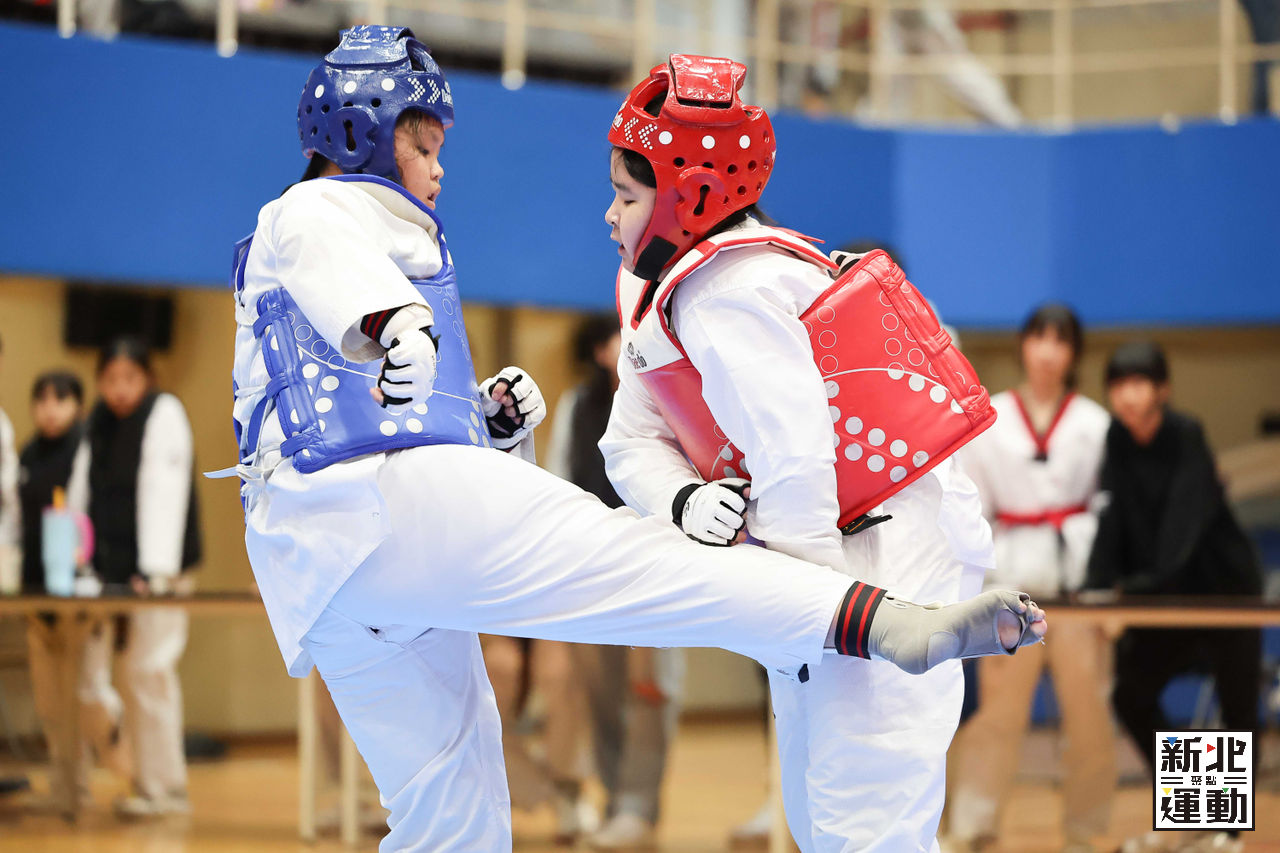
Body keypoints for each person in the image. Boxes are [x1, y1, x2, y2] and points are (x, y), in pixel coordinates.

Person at [222, 27, 1046, 853]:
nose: (440, 171)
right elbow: (344, 271)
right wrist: (394, 323)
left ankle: (864, 621)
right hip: (377, 505)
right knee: (629, 558)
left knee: (453, 811)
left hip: (321, 570)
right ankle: (878, 622)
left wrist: (491, 425)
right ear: (363, 135)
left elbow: (734, 450)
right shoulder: (318, 210)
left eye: (624, 194)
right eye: (424, 148)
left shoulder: (720, 285)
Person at [600, 54, 1028, 853]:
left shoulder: (738, 289)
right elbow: (628, 439)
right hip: (827, 564)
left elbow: (795, 463)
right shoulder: (673, 292)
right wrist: (684, 499)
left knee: (864, 820)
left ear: (691, 195)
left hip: (877, 555)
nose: (610, 214)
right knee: (821, 818)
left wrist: (819, 618)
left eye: (626, 196)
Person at [945, 305, 1115, 853]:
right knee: (994, 717)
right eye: (1038, 338)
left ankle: (1086, 831)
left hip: (1077, 592)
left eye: (1060, 341)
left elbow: (1108, 510)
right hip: (1009, 592)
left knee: (1088, 716)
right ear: (1022, 346)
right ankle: (973, 826)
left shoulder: (1095, 423)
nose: (1047, 352)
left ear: (1074, 353)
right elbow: (972, 510)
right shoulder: (991, 417)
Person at [1086, 341, 1262, 853]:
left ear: (1162, 389)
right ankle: (1198, 811)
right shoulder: (1116, 438)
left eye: (1140, 382)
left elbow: (1183, 530)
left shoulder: (1187, 434)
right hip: (1165, 596)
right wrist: (1096, 586)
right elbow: (1111, 516)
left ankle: (1224, 832)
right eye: (1119, 384)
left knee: (1237, 707)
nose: (1128, 395)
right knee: (1131, 695)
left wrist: (1129, 591)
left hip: (1225, 592)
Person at [545, 316, 685, 850]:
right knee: (601, 692)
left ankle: (638, 807)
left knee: (651, 689)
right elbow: (560, 481)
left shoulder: (669, 396)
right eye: (613, 341)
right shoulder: (579, 406)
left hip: (658, 565)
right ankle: (612, 799)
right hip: (595, 566)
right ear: (600, 353)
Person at [86, 337, 201, 818]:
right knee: (127, 679)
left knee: (150, 674)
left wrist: (155, 573)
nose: (119, 389)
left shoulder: (163, 412)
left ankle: (165, 789)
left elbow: (164, 498)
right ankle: (145, 779)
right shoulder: (100, 423)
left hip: (162, 576)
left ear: (147, 378)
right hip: (116, 577)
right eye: (110, 379)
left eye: (129, 378)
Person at [19, 371, 126, 817]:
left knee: (87, 694)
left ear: (78, 405)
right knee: (51, 701)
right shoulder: (27, 455)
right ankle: (69, 789)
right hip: (36, 596)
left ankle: (121, 745)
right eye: (41, 400)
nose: (49, 409)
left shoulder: (89, 450)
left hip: (82, 594)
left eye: (60, 399)